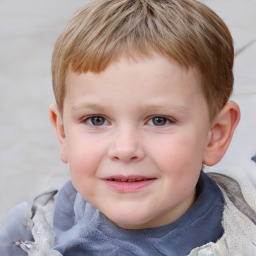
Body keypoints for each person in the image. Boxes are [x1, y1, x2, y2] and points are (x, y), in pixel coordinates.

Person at [1, 0, 256, 255]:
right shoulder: (30, 234)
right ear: (63, 133)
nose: (125, 149)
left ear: (215, 135)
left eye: (159, 120)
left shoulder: (247, 232)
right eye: (97, 120)